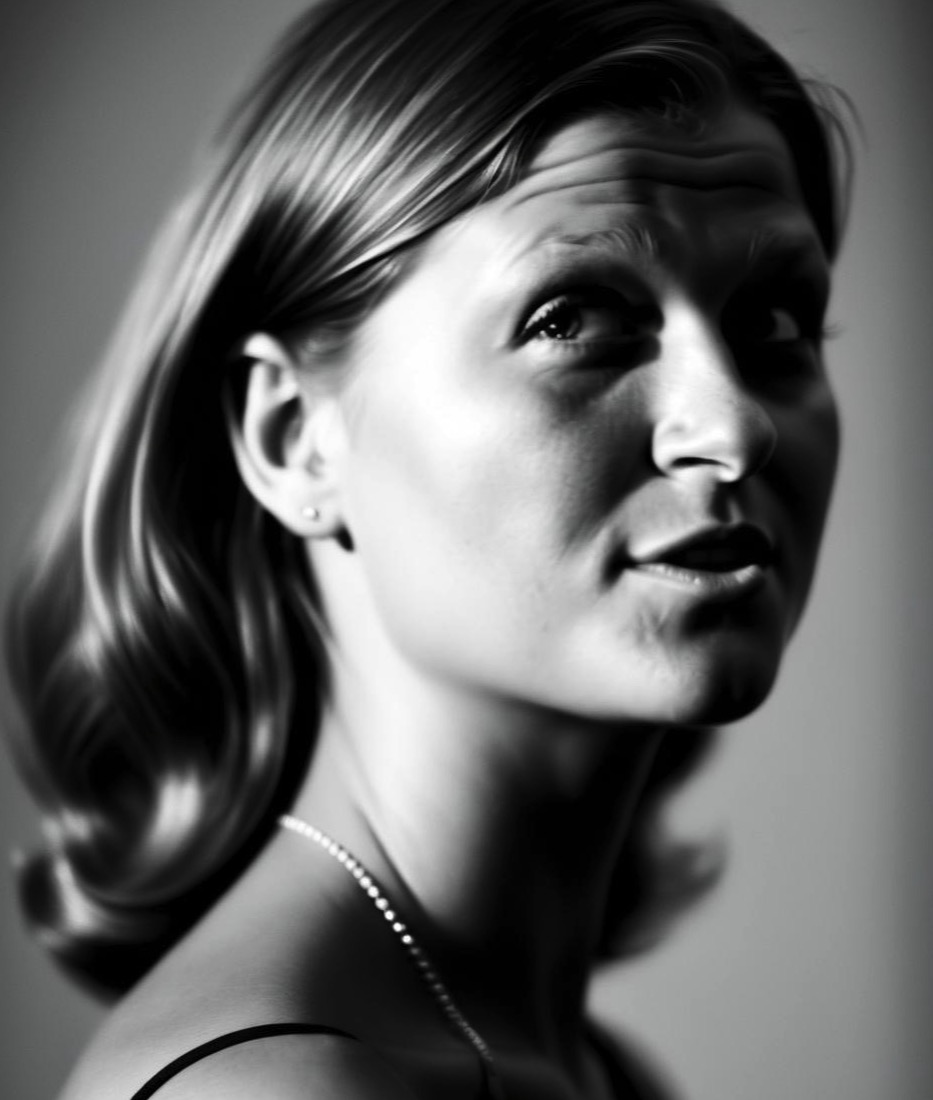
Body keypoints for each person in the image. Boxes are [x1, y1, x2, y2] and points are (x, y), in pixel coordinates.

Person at [3, 0, 852, 1096]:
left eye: (775, 321)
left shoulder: (598, 1072)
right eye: (571, 319)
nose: (733, 424)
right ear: (295, 437)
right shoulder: (267, 1090)